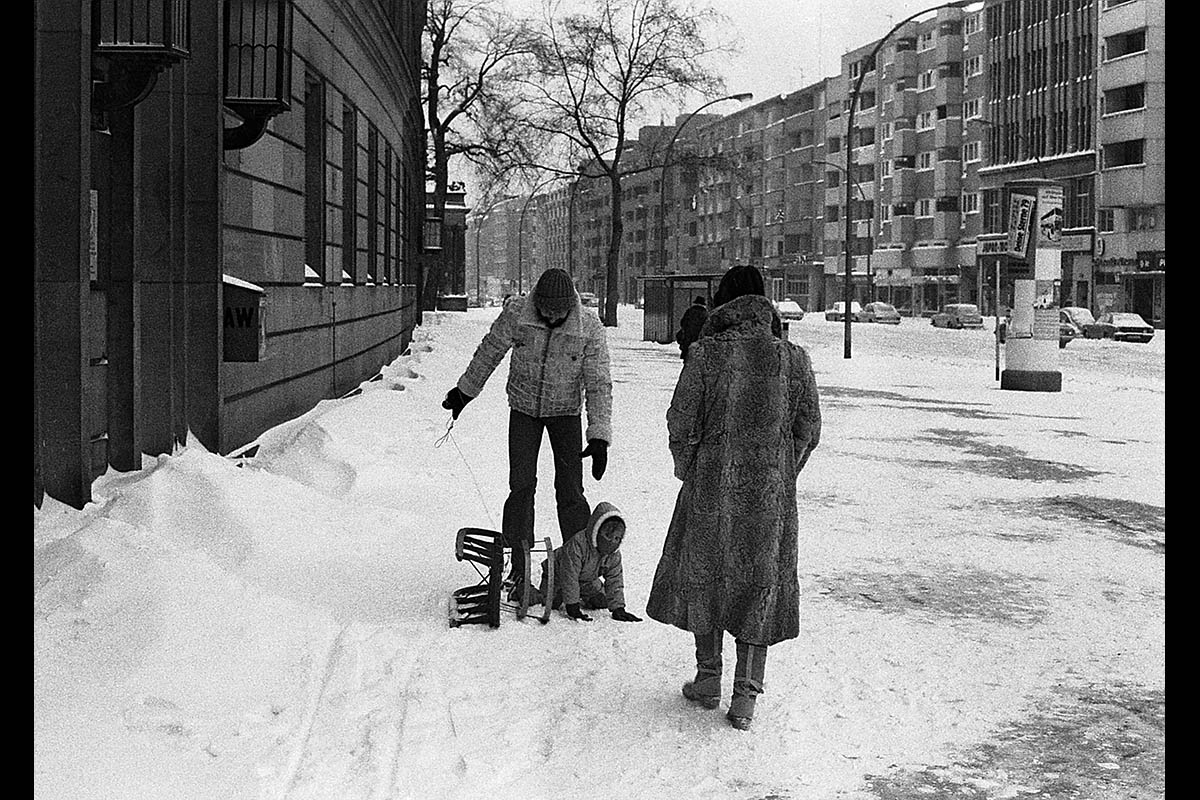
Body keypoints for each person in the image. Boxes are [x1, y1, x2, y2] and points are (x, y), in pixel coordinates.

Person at [646, 264, 821, 731]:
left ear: (723, 302)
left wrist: (692, 469)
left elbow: (680, 421)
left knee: (705, 576)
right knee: (757, 588)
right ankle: (745, 697)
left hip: (710, 490)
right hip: (769, 500)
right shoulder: (793, 358)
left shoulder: (705, 355)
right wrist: (781, 473)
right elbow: (809, 428)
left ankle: (707, 680)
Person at [442, 268, 612, 601]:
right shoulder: (517, 315)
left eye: (559, 312)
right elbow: (489, 351)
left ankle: (581, 576)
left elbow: (598, 382)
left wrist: (599, 436)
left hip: (565, 413)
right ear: (537, 302)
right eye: (547, 310)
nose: (552, 316)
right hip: (523, 410)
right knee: (521, 487)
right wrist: (464, 392)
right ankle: (519, 573)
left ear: (569, 306)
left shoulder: (589, 327)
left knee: (571, 491)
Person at [535, 501, 642, 623]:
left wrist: (618, 608)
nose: (612, 541)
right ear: (596, 530)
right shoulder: (578, 545)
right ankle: (563, 594)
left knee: (602, 601)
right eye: (608, 535)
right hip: (556, 574)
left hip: (587, 579)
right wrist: (572, 605)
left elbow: (615, 579)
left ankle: (580, 594)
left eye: (617, 538)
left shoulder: (614, 555)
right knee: (550, 602)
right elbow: (569, 575)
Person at [674, 296, 709, 362]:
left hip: (688, 336)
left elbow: (682, 322)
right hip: (698, 336)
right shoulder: (705, 313)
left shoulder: (690, 311)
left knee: (686, 353)